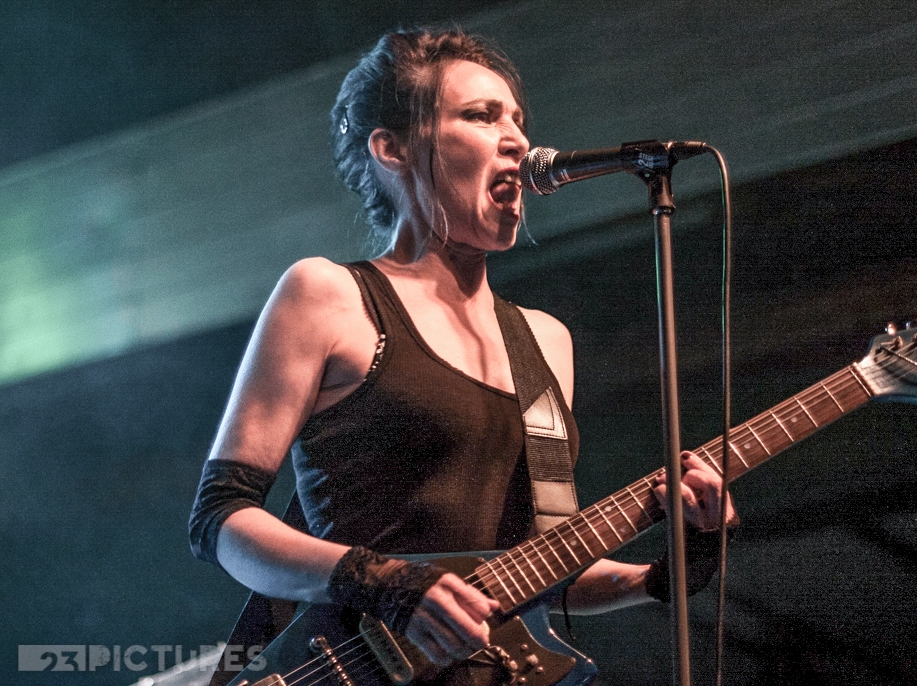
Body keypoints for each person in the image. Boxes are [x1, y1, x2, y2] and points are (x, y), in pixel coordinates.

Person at [189, 27, 736, 673]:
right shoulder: (329, 294)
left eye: (518, 120)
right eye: (481, 115)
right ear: (392, 149)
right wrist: (386, 584)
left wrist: (664, 574)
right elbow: (221, 519)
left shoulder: (545, 340)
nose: (518, 140)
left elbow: (531, 572)